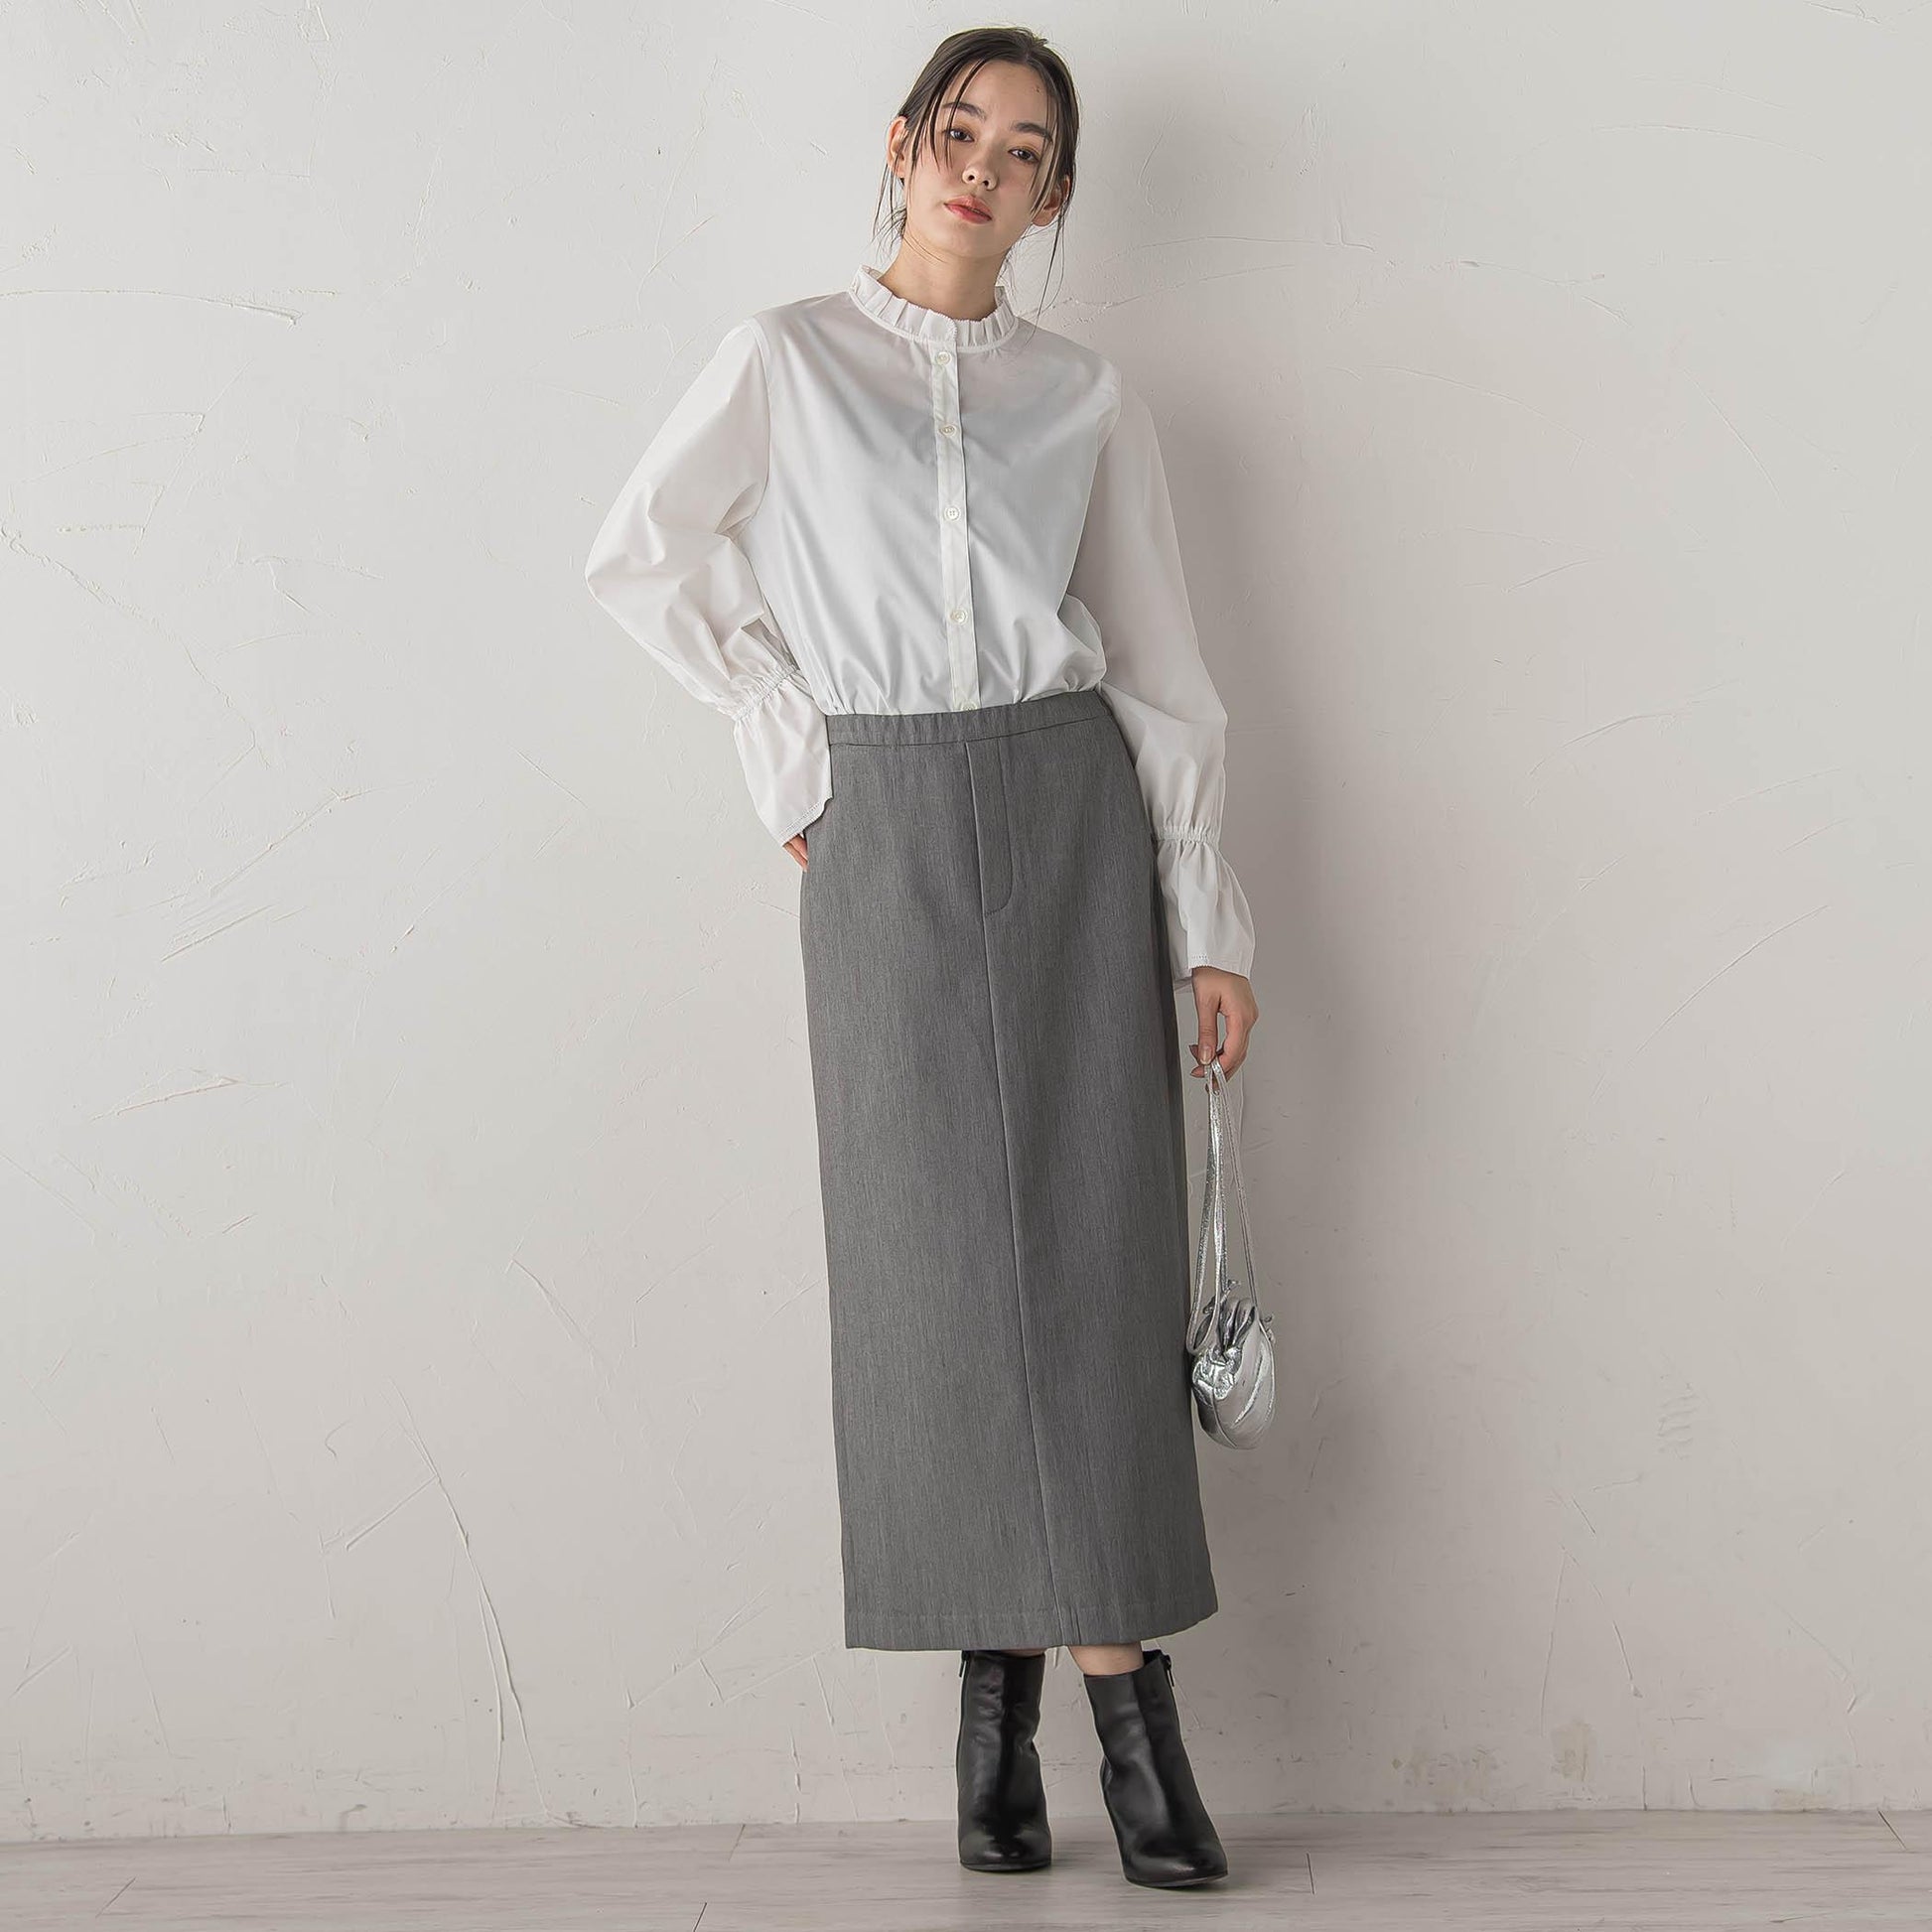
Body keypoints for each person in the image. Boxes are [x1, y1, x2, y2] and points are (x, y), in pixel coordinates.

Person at [583, 25, 1259, 1891]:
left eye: (1022, 151)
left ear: (1054, 196)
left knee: (1096, 1259)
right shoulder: (785, 358)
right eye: (957, 130)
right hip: (877, 815)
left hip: (1067, 813)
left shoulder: (1084, 396)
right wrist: (793, 752)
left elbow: (1160, 666)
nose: (980, 168)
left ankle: (1118, 1705)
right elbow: (642, 554)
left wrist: (1207, 917)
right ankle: (993, 1710)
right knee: (928, 1264)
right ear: (900, 146)